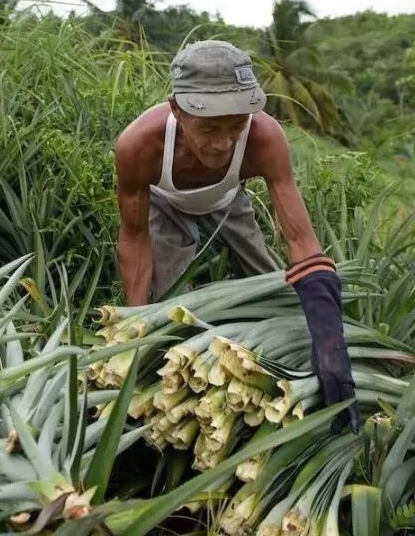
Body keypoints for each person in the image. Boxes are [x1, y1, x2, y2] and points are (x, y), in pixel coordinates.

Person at [113, 39, 360, 432]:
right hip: (167, 203)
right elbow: (135, 235)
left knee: (274, 291)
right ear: (176, 108)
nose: (224, 142)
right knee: (172, 305)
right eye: (209, 128)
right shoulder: (140, 145)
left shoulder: (264, 136)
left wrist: (329, 337)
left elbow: (301, 239)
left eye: (236, 126)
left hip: (228, 201)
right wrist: (138, 327)